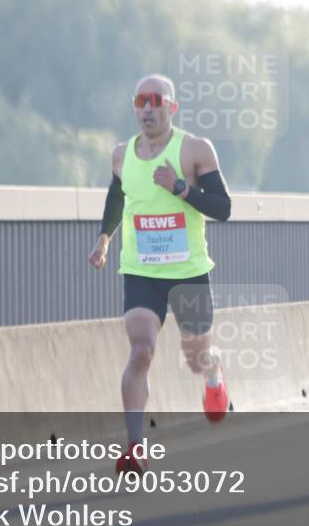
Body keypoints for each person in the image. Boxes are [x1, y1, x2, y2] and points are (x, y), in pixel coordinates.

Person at [89, 73, 233, 474]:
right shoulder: (121, 155)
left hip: (187, 271)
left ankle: (214, 372)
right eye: (140, 101)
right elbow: (118, 194)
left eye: (156, 101)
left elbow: (223, 208)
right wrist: (104, 238)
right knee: (141, 351)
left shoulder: (193, 150)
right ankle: (135, 446)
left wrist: (182, 189)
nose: (147, 108)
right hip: (141, 271)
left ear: (172, 108)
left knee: (197, 355)